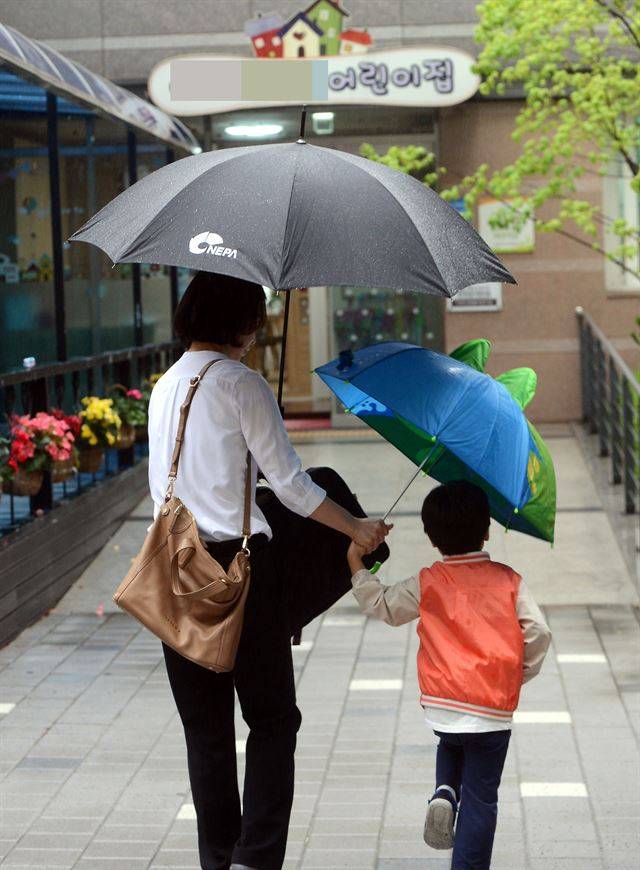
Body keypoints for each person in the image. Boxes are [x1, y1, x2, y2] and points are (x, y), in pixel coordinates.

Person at [147, 271, 391, 870]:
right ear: (240, 322)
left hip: (174, 569)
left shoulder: (164, 386)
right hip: (238, 572)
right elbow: (294, 487)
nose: (259, 330)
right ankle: (256, 858)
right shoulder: (242, 385)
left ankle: (219, 857)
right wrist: (358, 530)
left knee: (205, 730)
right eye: (256, 318)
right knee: (274, 719)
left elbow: (193, 478)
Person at [347, 480, 551, 870]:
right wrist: (517, 673)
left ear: (431, 537)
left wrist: (356, 563)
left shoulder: (429, 581)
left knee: (453, 739)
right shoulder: (509, 581)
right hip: (490, 707)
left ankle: (443, 791)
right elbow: (539, 632)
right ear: (487, 530)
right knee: (482, 797)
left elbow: (384, 605)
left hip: (441, 703)